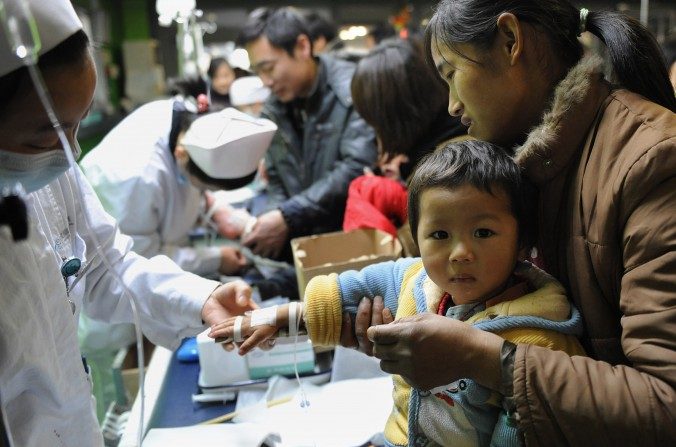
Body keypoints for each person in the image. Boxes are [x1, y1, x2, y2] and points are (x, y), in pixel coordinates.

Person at [350, 1, 676, 445]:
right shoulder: (524, 159)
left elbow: (664, 404)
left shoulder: (653, 162)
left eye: (451, 73)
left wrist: (482, 356)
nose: (451, 105)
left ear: (509, 40)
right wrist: (415, 333)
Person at [209, 141, 585, 446]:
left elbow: (518, 431)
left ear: (523, 243)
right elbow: (349, 291)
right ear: (416, 240)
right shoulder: (415, 281)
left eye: (483, 233)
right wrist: (280, 318)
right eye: (439, 235)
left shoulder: (536, 338)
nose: (460, 253)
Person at [0, 1, 257, 445]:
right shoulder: (136, 173)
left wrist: (202, 297)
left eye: (77, 126)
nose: (72, 152)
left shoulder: (54, 170)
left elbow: (106, 264)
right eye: (48, 133)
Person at [234, 7, 377, 260]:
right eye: (258, 71)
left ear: (302, 46)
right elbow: (276, 174)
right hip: (304, 244)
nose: (265, 81)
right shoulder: (275, 109)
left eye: (268, 68)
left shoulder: (352, 89)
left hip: (352, 242)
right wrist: (273, 217)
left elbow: (357, 165)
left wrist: (288, 215)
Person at [82, 103, 275, 278]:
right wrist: (215, 258)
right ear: (181, 155)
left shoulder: (187, 124)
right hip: (126, 292)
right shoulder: (137, 180)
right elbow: (140, 259)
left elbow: (189, 184)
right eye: (204, 188)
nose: (204, 192)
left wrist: (216, 210)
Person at [343, 38, 466, 253]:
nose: (373, 131)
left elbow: (414, 250)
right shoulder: (443, 136)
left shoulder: (449, 166)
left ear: (393, 118)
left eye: (373, 120)